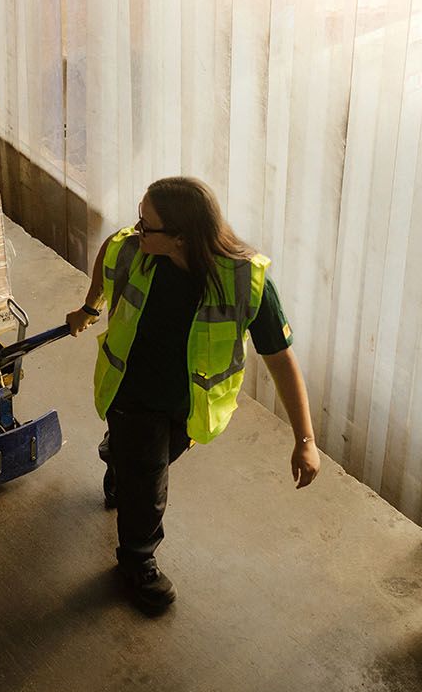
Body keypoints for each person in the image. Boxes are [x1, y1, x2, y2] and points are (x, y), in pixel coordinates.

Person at [66, 176, 320, 612]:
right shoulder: (135, 249)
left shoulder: (245, 281)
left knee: (148, 462)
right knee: (149, 484)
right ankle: (137, 560)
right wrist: (90, 308)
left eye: (147, 225)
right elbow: (111, 251)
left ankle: (119, 463)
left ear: (180, 238)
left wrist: (306, 441)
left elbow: (281, 360)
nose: (136, 230)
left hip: (188, 408)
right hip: (131, 393)